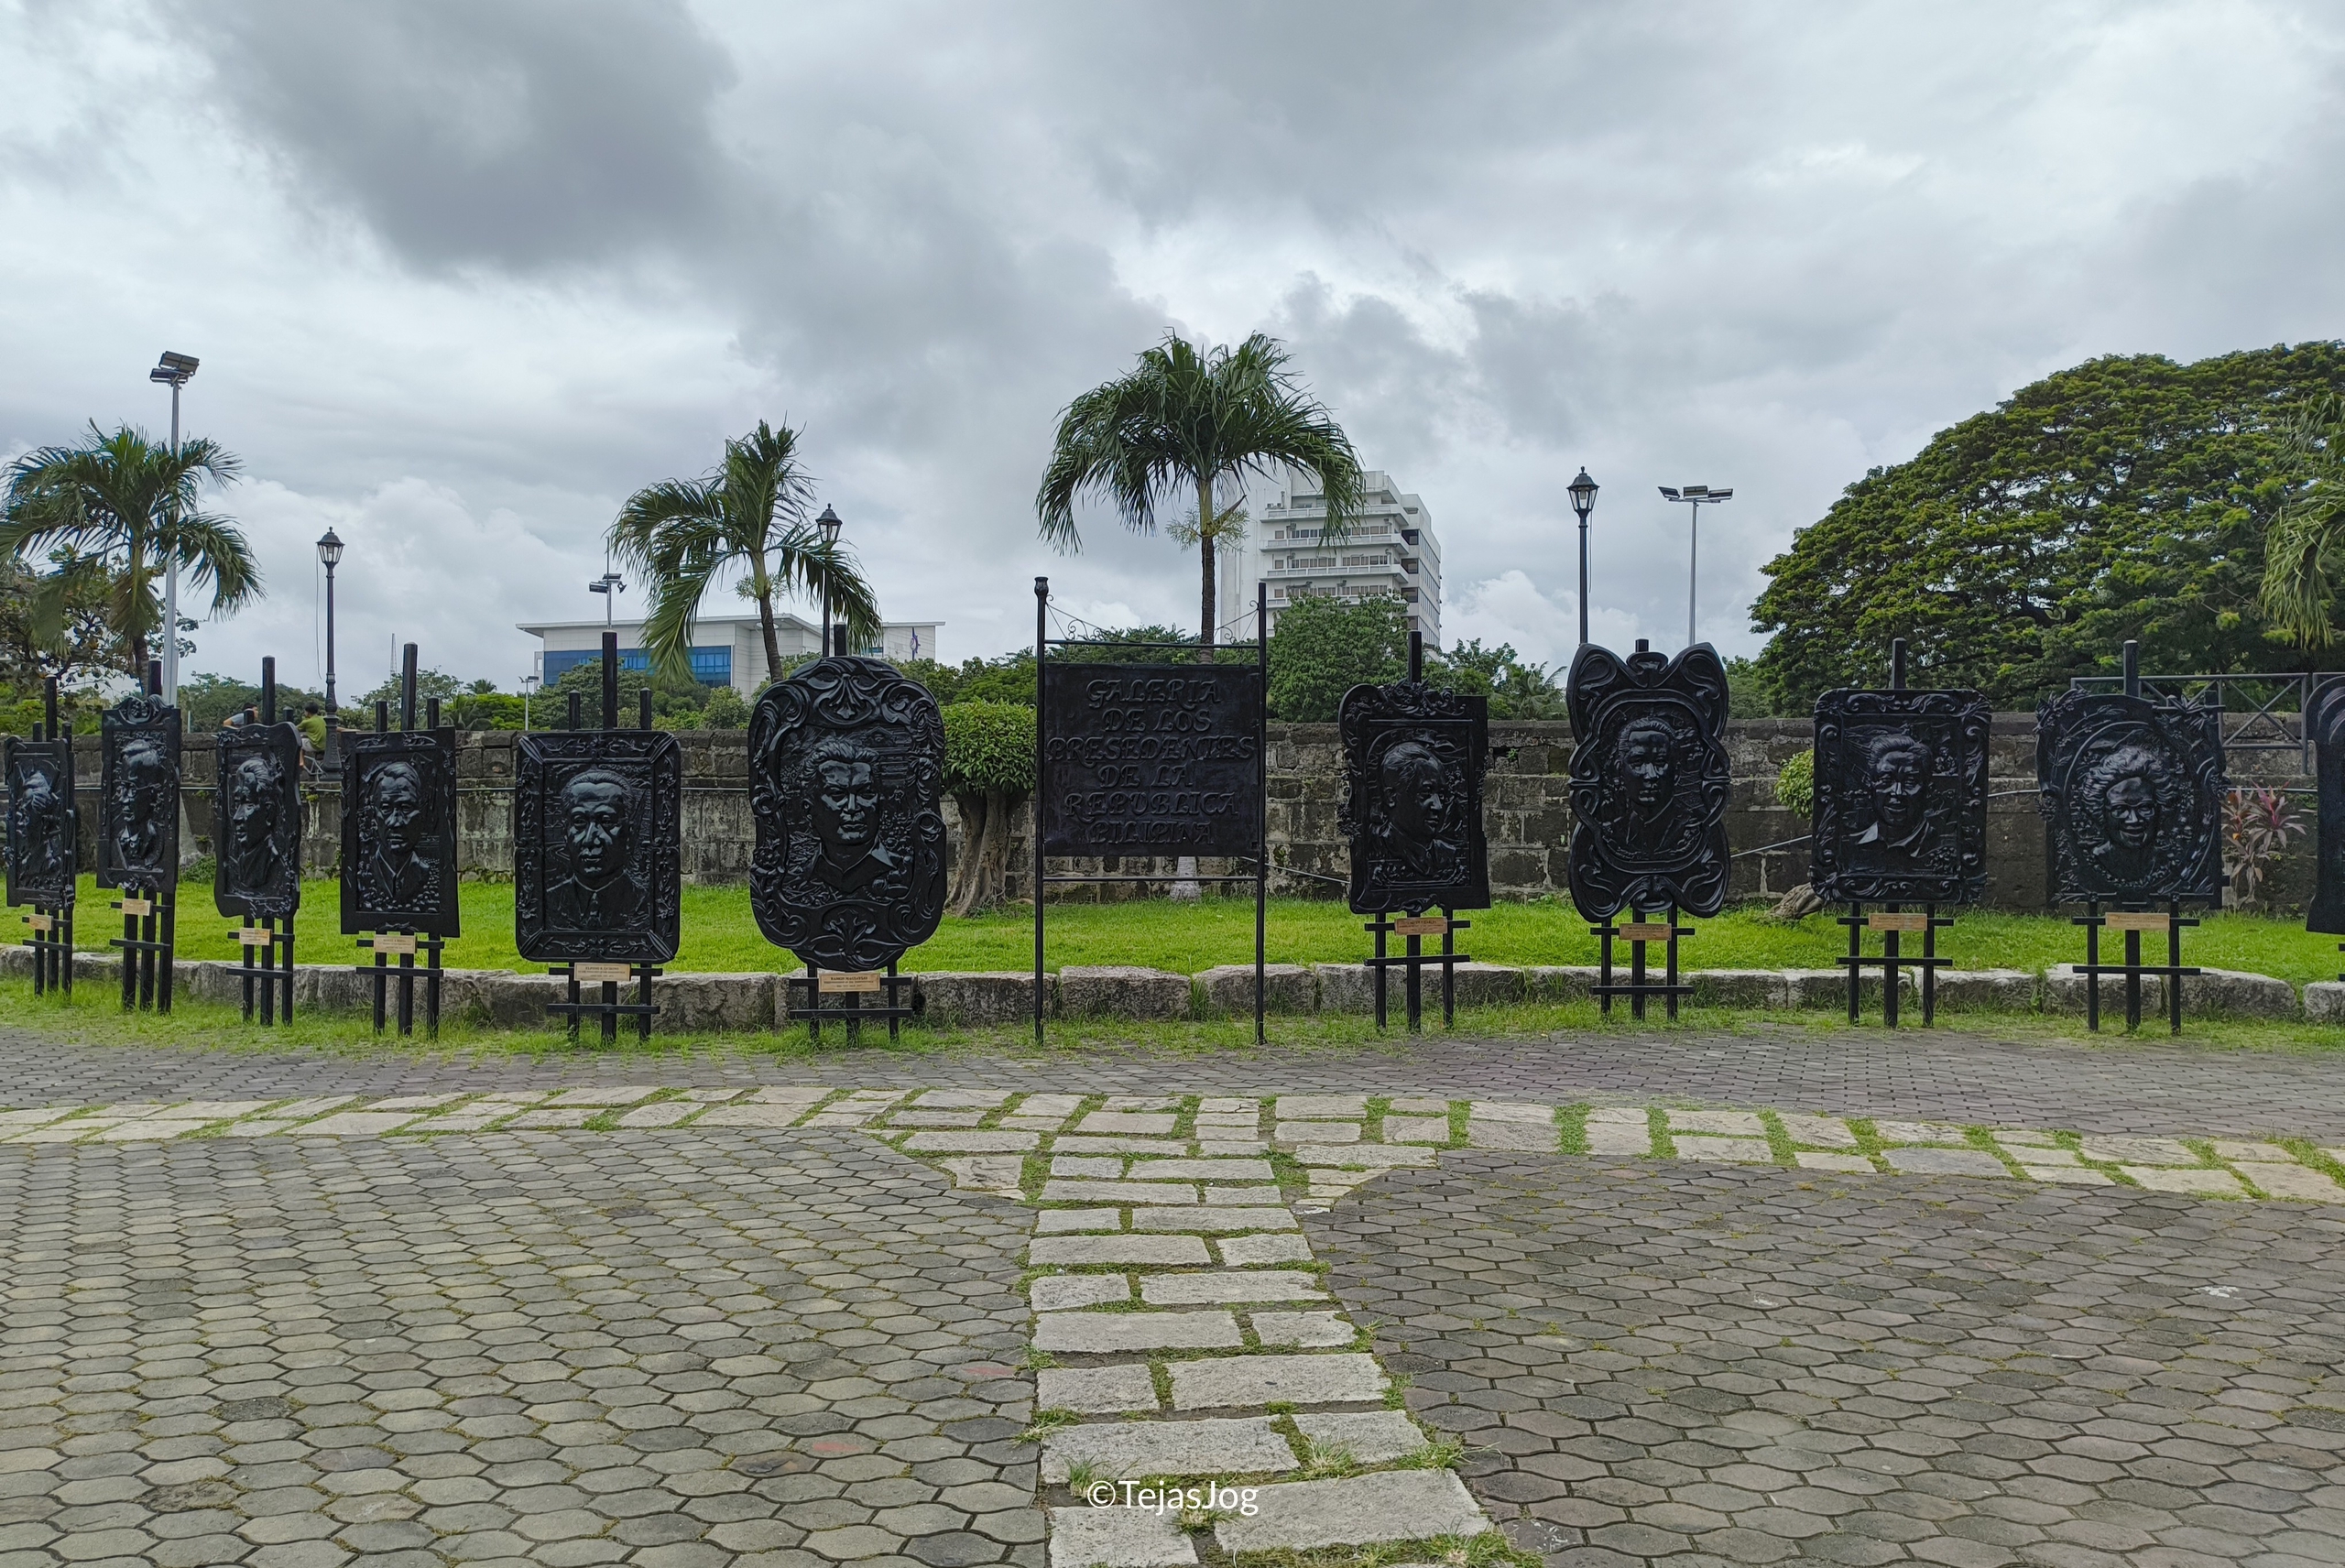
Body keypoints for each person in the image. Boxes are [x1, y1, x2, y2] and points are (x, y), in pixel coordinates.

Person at [544, 767, 646, 929]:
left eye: (606, 822)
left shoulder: (646, 902)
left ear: (630, 834)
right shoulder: (548, 900)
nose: (590, 839)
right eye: (579, 822)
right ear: (565, 833)